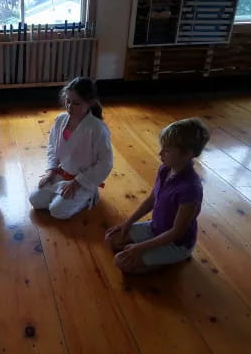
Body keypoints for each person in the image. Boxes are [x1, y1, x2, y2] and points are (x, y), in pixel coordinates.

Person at [105, 118, 210, 273]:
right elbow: (152, 199)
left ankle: (172, 258)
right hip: (156, 229)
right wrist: (128, 223)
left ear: (188, 153)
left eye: (167, 150)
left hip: (176, 243)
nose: (160, 153)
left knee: (121, 262)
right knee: (111, 238)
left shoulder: (190, 189)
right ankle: (150, 255)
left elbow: (177, 232)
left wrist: (140, 247)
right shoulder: (165, 169)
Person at [29, 77, 113, 219]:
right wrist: (51, 171)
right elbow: (52, 148)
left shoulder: (97, 128)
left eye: (76, 103)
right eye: (67, 101)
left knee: (57, 211)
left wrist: (77, 183)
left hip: (83, 181)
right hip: (61, 173)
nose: (69, 106)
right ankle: (60, 196)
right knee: (35, 200)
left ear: (90, 103)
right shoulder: (61, 120)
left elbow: (106, 163)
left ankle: (88, 196)